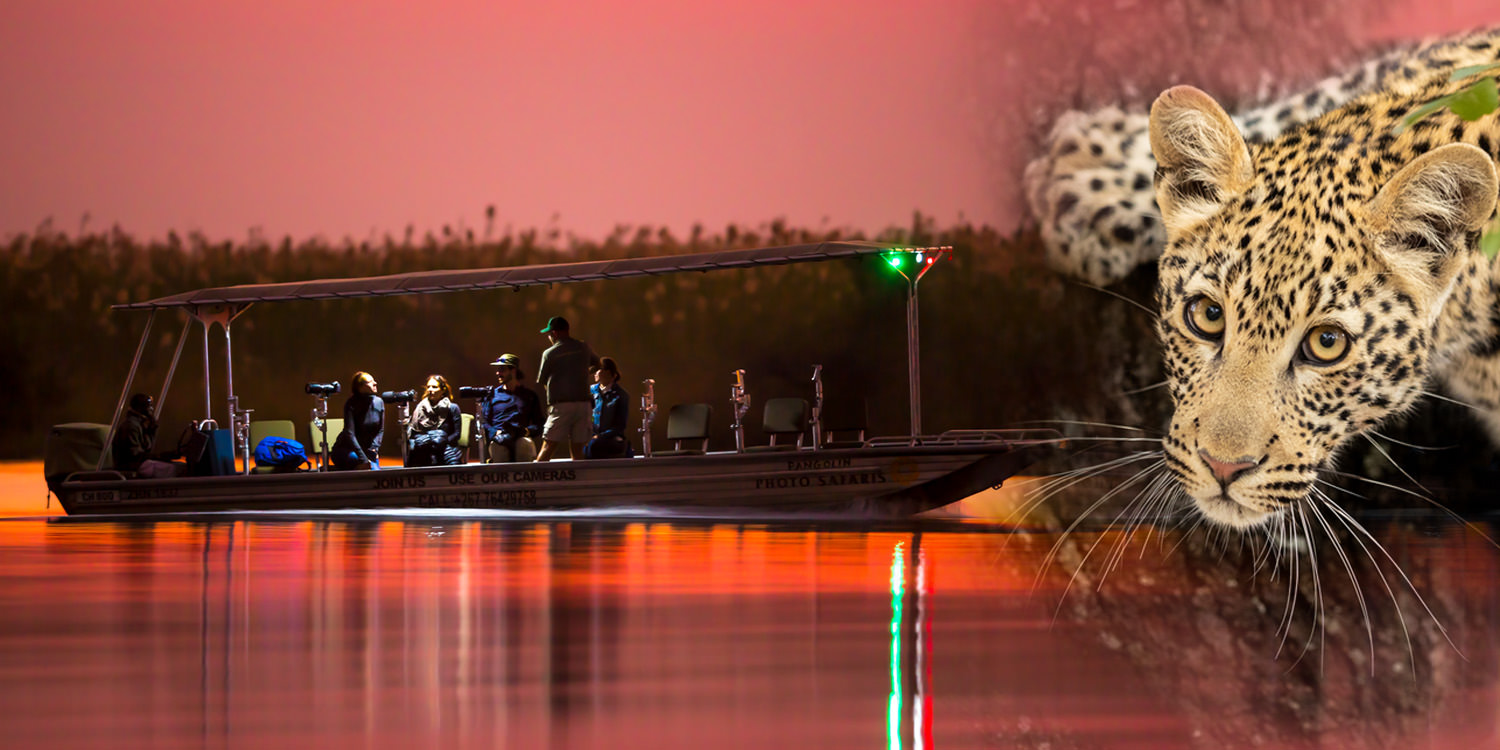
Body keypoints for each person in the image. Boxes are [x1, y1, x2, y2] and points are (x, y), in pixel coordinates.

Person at [534, 316, 600, 461]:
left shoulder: (549, 353)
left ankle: (536, 481)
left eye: (549, 334)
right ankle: (580, 482)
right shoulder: (583, 347)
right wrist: (584, 372)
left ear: (555, 333)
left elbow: (542, 380)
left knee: (548, 446)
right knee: (578, 450)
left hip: (561, 405)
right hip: (584, 405)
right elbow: (598, 364)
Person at [480, 353, 544, 463]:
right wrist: (495, 432)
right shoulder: (492, 395)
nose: (498, 373)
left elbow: (539, 424)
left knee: (524, 446)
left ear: (513, 370)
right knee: (498, 449)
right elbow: (484, 422)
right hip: (500, 438)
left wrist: (526, 431)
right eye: (498, 369)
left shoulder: (529, 396)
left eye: (502, 370)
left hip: (521, 437)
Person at [111, 393, 187, 478]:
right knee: (175, 469)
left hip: (139, 464)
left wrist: (151, 431)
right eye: (148, 406)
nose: (151, 409)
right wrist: (162, 456)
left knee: (178, 464)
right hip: (130, 466)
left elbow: (147, 449)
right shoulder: (131, 426)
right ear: (140, 407)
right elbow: (135, 456)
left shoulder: (140, 424)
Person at [330, 371, 384, 470]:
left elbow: (380, 430)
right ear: (360, 387)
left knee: (375, 472)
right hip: (347, 449)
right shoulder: (351, 404)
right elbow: (349, 434)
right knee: (366, 467)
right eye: (370, 382)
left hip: (366, 450)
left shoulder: (379, 402)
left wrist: (374, 449)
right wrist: (362, 459)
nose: (375, 383)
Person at [406, 374, 463, 467]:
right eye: (428, 387)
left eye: (434, 387)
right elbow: (413, 432)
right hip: (424, 448)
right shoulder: (420, 408)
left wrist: (443, 440)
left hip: (446, 447)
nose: (430, 390)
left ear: (443, 390)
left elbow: (457, 434)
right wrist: (425, 439)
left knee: (451, 460)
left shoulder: (452, 408)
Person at [584, 356, 632, 460]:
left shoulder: (621, 395)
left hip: (611, 437)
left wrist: (601, 436)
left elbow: (620, 426)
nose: (595, 373)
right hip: (592, 435)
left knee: (594, 445)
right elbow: (589, 415)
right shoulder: (591, 391)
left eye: (598, 370)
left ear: (608, 372)